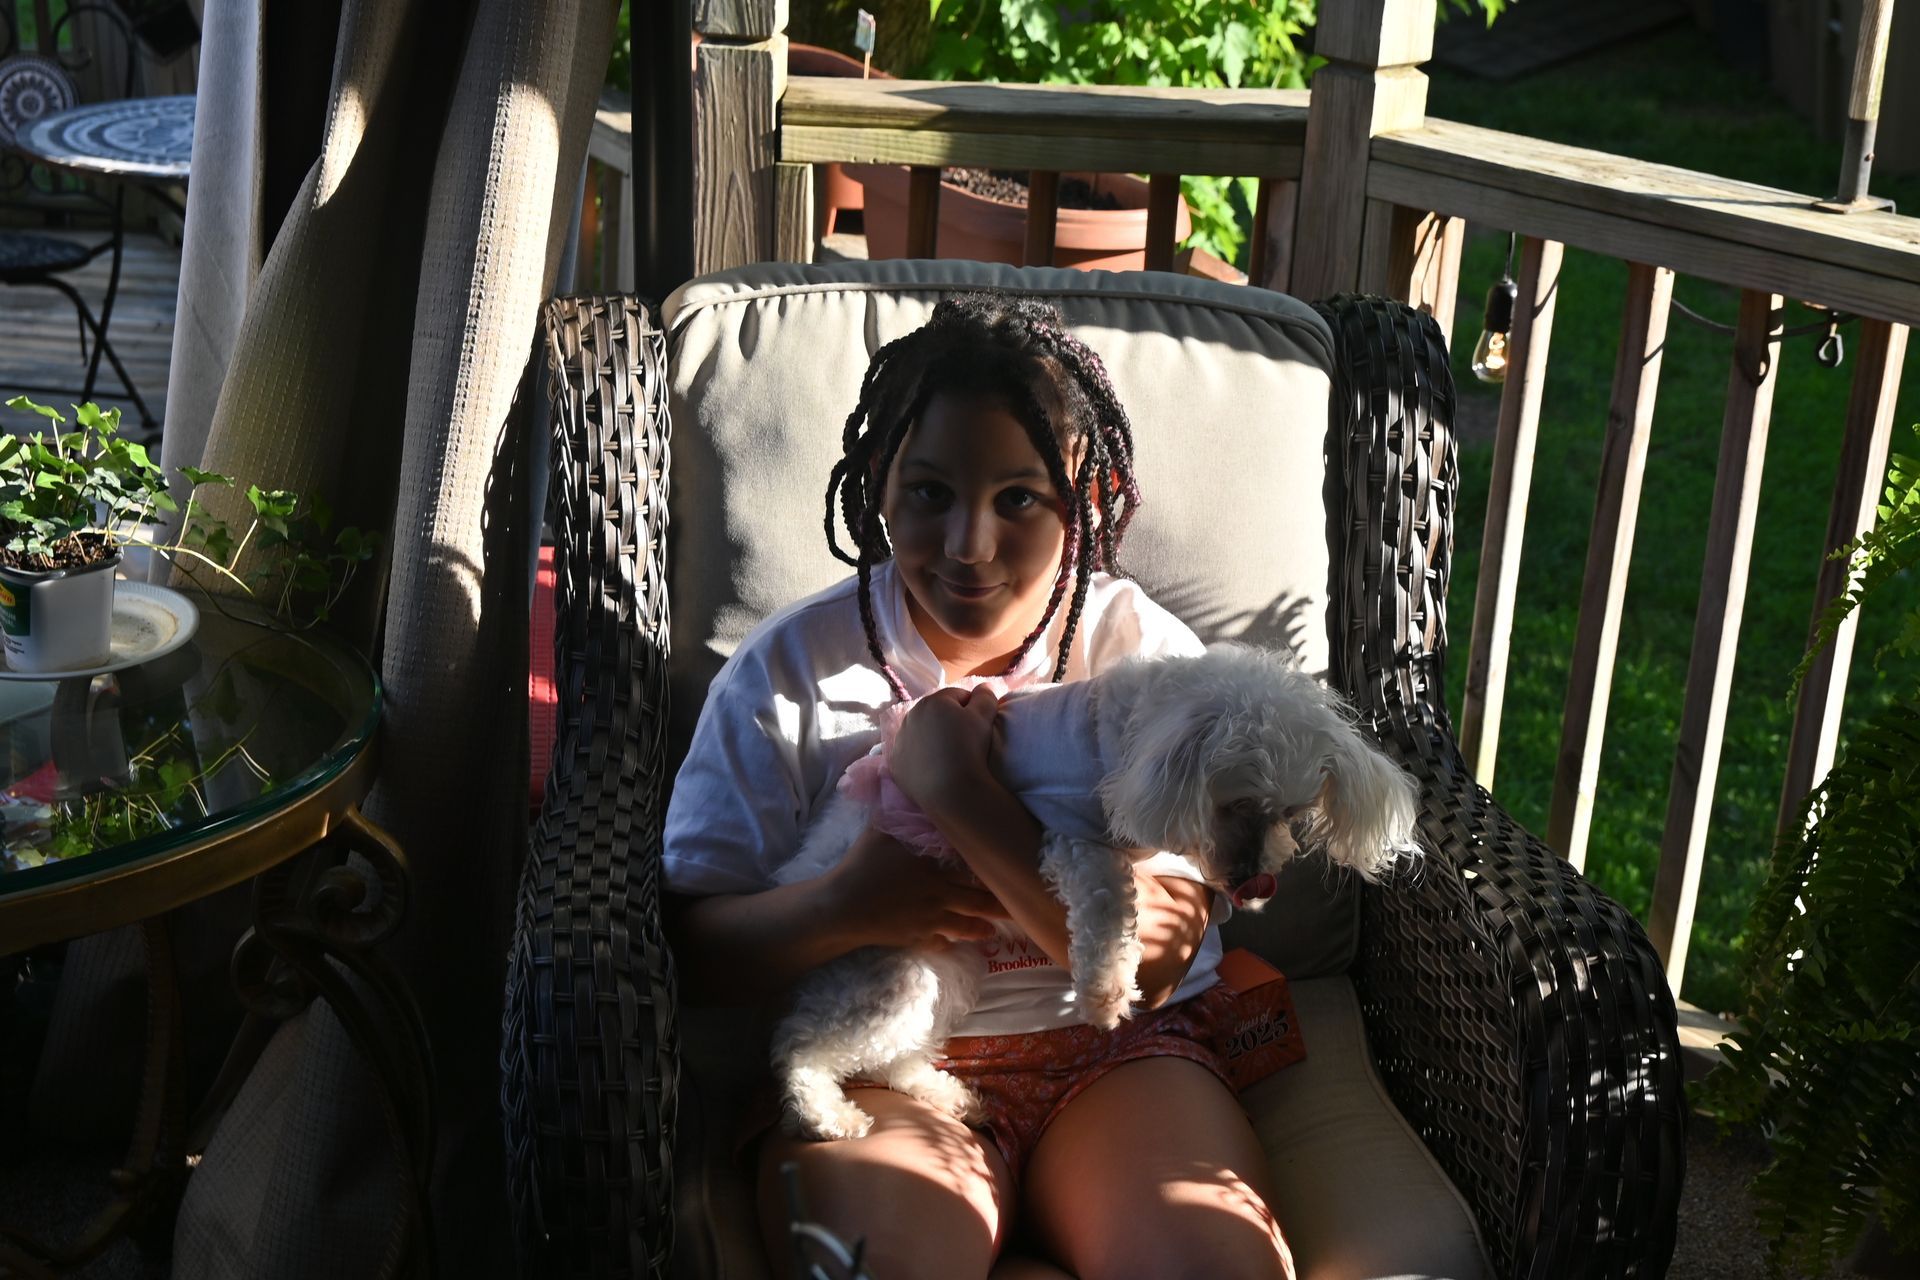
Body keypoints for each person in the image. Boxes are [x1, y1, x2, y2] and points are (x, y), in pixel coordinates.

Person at [663, 293, 1293, 1280]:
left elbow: (1153, 963)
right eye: (929, 492)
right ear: (877, 480)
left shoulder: (1142, 663)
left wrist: (954, 790)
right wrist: (845, 905)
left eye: (1019, 499)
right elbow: (686, 956)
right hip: (885, 1070)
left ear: (1085, 494)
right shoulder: (790, 670)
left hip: (1119, 1060)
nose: (968, 544)